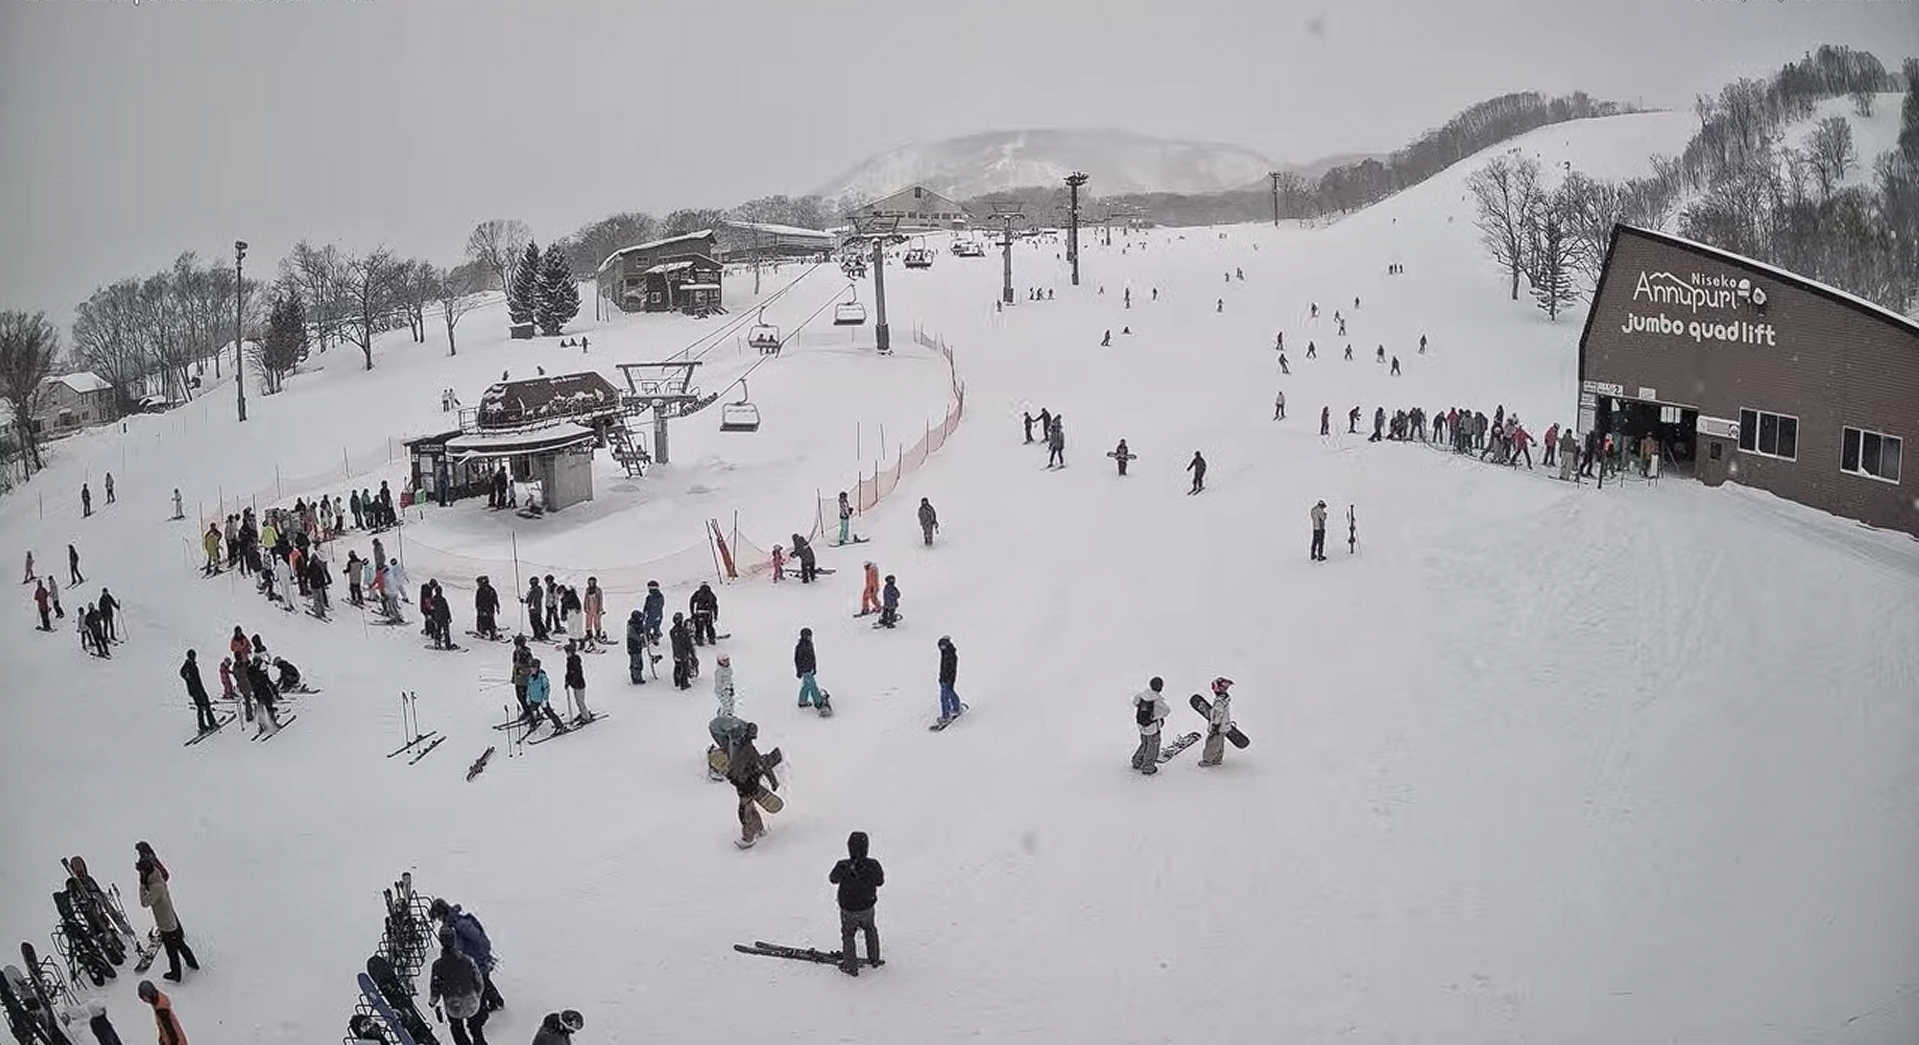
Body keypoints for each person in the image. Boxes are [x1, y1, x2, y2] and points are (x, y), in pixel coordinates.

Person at [427, 899, 504, 1013]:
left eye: (438, 917)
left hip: (476, 958)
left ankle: (489, 1006)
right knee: (484, 981)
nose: (438, 919)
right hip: (472, 958)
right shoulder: (453, 923)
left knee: (480, 982)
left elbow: (477, 938)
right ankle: (495, 1001)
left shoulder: (459, 924)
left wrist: (481, 956)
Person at [829, 831, 886, 976]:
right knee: (870, 930)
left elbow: (833, 879)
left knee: (848, 934)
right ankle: (874, 958)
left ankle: (850, 966)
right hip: (867, 907)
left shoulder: (843, 865)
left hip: (848, 908)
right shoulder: (873, 865)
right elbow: (880, 882)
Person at [137, 856, 198, 982]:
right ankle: (192, 963)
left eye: (141, 871)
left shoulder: (156, 887)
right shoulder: (156, 875)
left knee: (171, 951)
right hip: (170, 918)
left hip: (166, 923)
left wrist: (142, 886)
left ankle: (176, 974)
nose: (140, 874)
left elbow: (144, 902)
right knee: (180, 944)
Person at [428, 929, 489, 1045]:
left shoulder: (438, 965)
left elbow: (435, 987)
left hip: (453, 1006)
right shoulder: (467, 960)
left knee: (457, 1030)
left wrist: (433, 1001)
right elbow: (479, 982)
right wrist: (476, 995)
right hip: (471, 1002)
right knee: (476, 1029)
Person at [725, 721, 773, 848]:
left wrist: (734, 776)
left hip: (746, 785)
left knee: (744, 812)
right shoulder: (743, 747)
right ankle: (759, 828)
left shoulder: (746, 749)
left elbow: (741, 767)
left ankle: (748, 838)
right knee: (750, 808)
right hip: (746, 784)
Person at [1132, 677, 1170, 774]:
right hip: (1152, 727)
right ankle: (1148, 767)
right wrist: (1157, 716)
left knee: (1144, 744)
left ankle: (1137, 761)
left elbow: (1134, 702)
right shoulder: (1157, 700)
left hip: (1141, 725)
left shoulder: (1142, 695)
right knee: (1153, 747)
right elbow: (1166, 711)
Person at [1197, 677, 1234, 767]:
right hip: (1224, 726)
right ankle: (1217, 759)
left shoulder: (1219, 701)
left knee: (1212, 744)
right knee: (1219, 743)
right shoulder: (1224, 699)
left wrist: (1215, 725)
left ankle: (1207, 760)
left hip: (1218, 727)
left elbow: (1217, 714)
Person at [136, 981, 187, 1045]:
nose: (144, 1001)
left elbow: (171, 1034)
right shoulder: (159, 1002)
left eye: (144, 998)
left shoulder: (161, 1011)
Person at [523, 658, 564, 733]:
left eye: (534, 668)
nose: (532, 669)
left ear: (538, 668)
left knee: (549, 712)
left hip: (541, 699)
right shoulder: (531, 676)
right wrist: (528, 696)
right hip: (533, 699)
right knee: (533, 712)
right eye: (531, 667)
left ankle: (560, 726)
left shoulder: (542, 676)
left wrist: (545, 699)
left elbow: (546, 688)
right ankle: (533, 725)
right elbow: (529, 687)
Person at [181, 651, 217, 733]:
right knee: (200, 707)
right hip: (195, 691)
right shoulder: (187, 666)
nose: (194, 657)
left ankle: (212, 722)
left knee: (207, 704)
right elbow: (182, 673)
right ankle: (202, 726)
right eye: (193, 656)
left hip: (200, 688)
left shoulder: (193, 665)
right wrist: (187, 676)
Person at [794, 627, 825, 710]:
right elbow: (797, 660)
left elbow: (812, 657)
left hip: (809, 668)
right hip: (805, 669)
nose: (810, 637)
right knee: (813, 686)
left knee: (806, 685)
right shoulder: (800, 646)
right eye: (808, 636)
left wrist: (814, 667)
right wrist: (799, 671)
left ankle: (802, 700)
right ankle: (818, 701)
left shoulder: (809, 644)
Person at [935, 636, 961, 725]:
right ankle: (956, 708)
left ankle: (946, 716)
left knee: (944, 698)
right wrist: (941, 677)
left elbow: (950, 669)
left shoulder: (950, 655)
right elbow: (943, 667)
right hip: (944, 678)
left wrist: (947, 679)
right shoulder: (945, 653)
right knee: (950, 692)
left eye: (942, 646)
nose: (941, 648)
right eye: (940, 646)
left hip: (948, 679)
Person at [669, 613, 695, 690]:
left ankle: (676, 681)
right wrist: (691, 652)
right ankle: (684, 683)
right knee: (684, 668)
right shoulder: (685, 631)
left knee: (677, 666)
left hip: (676, 652)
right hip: (684, 653)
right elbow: (688, 643)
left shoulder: (672, 631)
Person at [624, 610, 650, 685]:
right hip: (634, 647)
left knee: (635, 662)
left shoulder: (632, 624)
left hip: (633, 647)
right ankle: (636, 678)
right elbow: (637, 637)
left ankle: (635, 676)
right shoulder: (633, 627)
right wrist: (642, 641)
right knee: (637, 663)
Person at [712, 653, 736, 717]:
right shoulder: (718, 671)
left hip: (728, 689)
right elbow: (718, 682)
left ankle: (730, 715)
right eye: (724, 661)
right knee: (726, 705)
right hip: (721, 691)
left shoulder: (729, 669)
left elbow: (730, 678)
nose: (726, 662)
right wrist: (723, 689)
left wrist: (731, 687)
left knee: (731, 703)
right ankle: (722, 716)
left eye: (727, 660)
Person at [582, 578, 604, 643]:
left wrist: (600, 608)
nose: (591, 583)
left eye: (592, 582)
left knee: (597, 622)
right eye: (590, 582)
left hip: (596, 608)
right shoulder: (587, 590)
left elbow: (600, 600)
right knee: (588, 622)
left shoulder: (598, 590)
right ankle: (589, 634)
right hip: (589, 608)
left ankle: (598, 634)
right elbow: (585, 599)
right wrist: (585, 607)